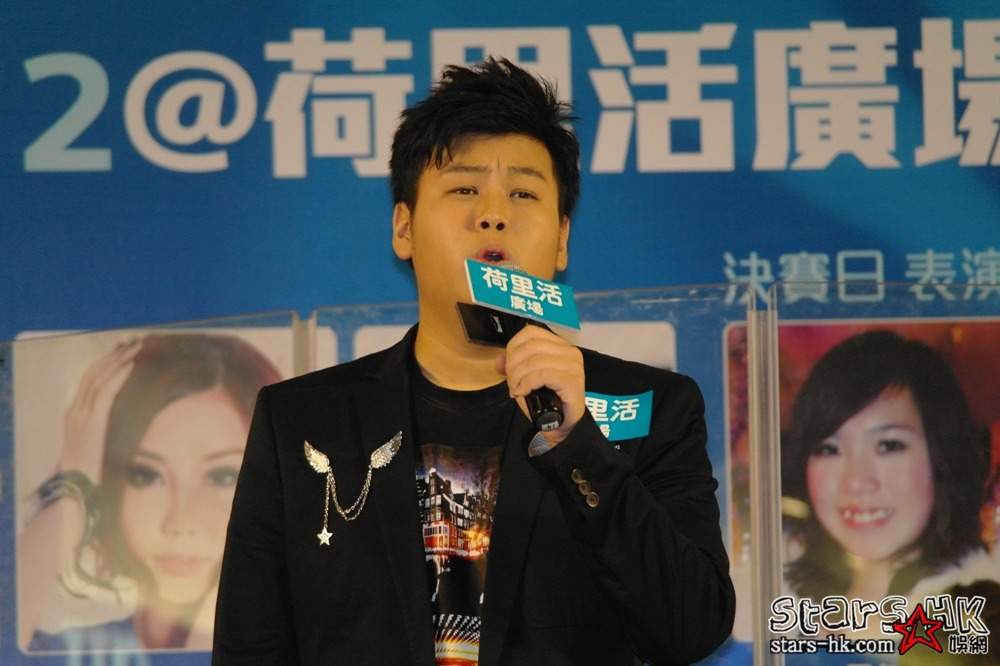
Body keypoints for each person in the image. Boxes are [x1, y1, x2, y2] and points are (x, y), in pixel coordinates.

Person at [213, 58, 735, 665]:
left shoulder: (653, 407)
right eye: (464, 189)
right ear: (403, 228)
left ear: (562, 238)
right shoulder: (301, 420)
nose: (493, 214)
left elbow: (692, 627)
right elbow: (250, 647)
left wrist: (576, 444)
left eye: (523, 193)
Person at [19, 333, 281, 652]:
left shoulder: (310, 645)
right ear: (109, 487)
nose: (180, 523)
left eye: (222, 476)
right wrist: (76, 479)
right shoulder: (78, 650)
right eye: (146, 475)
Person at [782, 330, 995, 606]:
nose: (856, 481)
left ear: (941, 455)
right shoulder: (772, 595)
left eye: (888, 446)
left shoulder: (979, 607)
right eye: (829, 449)